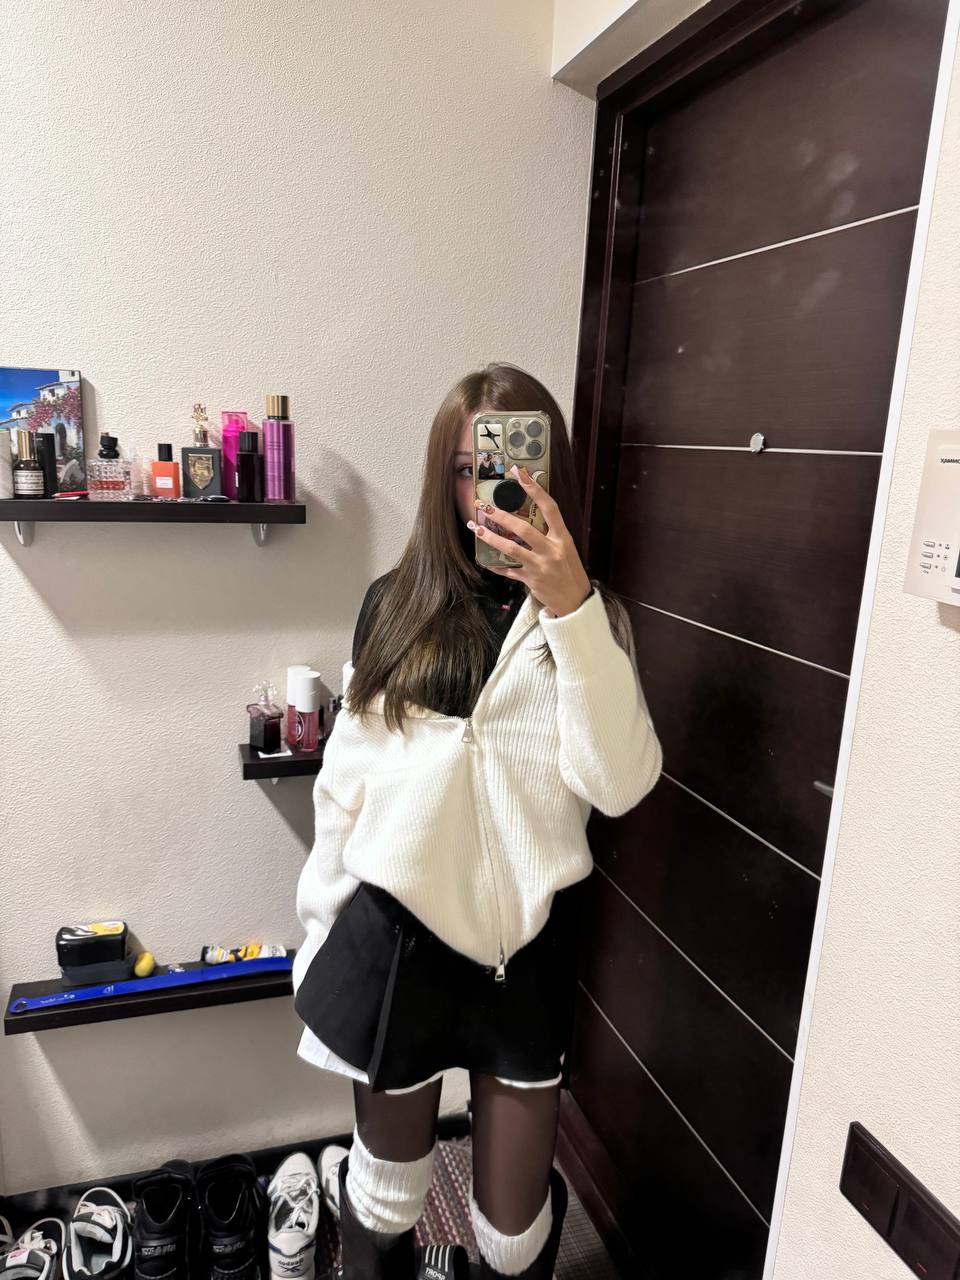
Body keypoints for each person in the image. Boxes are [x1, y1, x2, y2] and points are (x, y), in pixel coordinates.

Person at [292, 363, 662, 1279]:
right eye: (467, 468)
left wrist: (571, 610)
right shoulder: (394, 605)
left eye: (511, 465)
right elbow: (345, 785)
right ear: (442, 478)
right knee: (386, 1198)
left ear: (551, 472)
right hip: (396, 943)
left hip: (520, 955)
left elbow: (620, 784)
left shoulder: (592, 622)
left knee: (510, 1231)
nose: (487, 490)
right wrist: (318, 931)